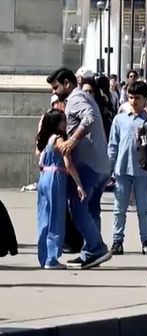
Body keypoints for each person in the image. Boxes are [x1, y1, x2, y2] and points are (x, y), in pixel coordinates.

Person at [46, 68, 112, 270]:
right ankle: (91, 253)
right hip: (100, 164)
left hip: (87, 165)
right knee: (91, 209)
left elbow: (90, 117)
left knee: (77, 208)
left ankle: (96, 247)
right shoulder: (84, 96)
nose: (55, 92)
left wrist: (73, 140)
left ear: (67, 83)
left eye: (56, 87)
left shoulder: (75, 98)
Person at [107, 81, 147, 256]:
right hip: (122, 169)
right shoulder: (120, 119)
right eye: (131, 97)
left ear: (145, 99)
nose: (134, 101)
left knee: (144, 209)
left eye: (138, 98)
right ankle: (117, 241)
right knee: (119, 209)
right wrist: (109, 168)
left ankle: (146, 241)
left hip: (142, 171)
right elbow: (113, 145)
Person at [36, 109, 86, 269]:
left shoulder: (44, 139)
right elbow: (67, 163)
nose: (66, 123)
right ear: (57, 123)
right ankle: (52, 258)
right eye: (63, 121)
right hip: (56, 176)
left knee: (44, 217)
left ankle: (44, 256)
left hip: (43, 176)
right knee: (56, 217)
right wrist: (79, 183)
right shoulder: (58, 139)